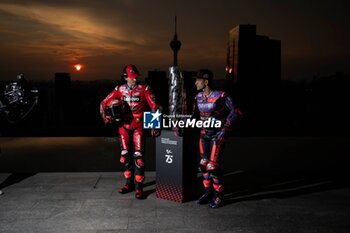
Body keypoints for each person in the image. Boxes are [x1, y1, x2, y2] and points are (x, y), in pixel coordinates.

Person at [100, 64, 160, 199]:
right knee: (125, 155)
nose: (134, 79)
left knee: (138, 157)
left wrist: (154, 126)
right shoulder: (119, 89)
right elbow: (103, 103)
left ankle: (139, 187)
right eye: (132, 77)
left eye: (136, 77)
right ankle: (129, 184)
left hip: (139, 127)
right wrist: (107, 118)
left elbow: (154, 107)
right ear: (125, 77)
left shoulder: (145, 88)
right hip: (123, 126)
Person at [192, 69, 240, 208]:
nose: (195, 82)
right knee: (203, 165)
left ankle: (219, 195)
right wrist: (181, 125)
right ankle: (208, 192)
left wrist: (225, 128)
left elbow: (236, 111)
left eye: (198, 80)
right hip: (203, 135)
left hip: (216, 136)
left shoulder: (221, 96)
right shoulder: (198, 97)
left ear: (205, 82)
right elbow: (194, 115)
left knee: (213, 167)